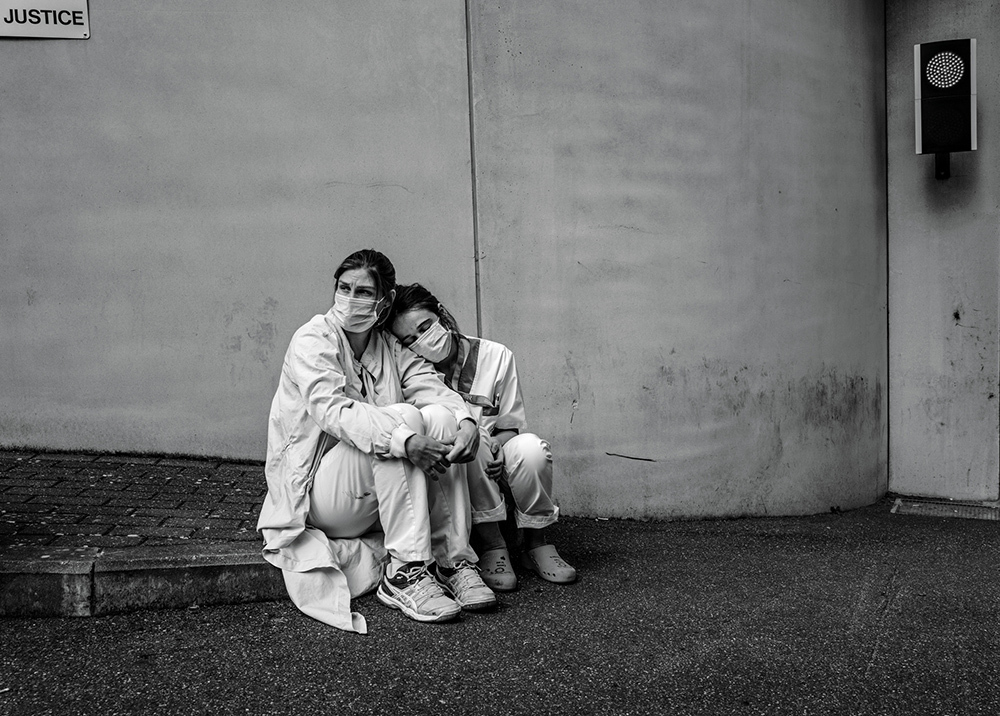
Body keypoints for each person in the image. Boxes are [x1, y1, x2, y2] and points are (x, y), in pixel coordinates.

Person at [256, 250, 496, 633]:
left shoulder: (388, 346)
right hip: (320, 496)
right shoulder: (313, 339)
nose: (350, 298)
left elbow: (433, 389)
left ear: (384, 302)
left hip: (371, 497)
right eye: (344, 287)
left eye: (364, 291)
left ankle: (453, 561)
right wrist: (403, 439)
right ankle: (404, 573)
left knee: (436, 417)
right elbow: (332, 411)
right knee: (401, 420)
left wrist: (465, 421)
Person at [389, 283, 577, 591]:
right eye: (410, 339)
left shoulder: (496, 356)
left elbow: (510, 425)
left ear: (441, 315)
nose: (421, 341)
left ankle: (537, 544)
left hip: (496, 455)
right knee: (468, 444)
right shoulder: (414, 372)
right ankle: (493, 547)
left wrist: (499, 446)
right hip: (456, 469)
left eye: (424, 327)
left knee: (531, 450)